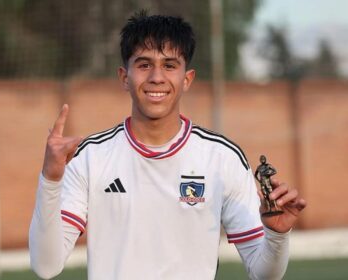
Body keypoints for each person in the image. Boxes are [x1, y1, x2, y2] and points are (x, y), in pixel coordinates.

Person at [29, 10, 306, 280]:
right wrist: (50, 180)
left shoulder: (222, 158)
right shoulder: (90, 157)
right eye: (144, 64)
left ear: (187, 79)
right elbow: (46, 266)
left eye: (169, 65)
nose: (156, 77)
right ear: (125, 77)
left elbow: (263, 272)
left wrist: (277, 236)